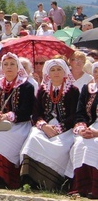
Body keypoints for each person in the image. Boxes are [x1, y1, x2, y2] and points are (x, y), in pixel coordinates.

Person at [0, 53, 36, 189]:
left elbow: (27, 111)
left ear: (18, 67)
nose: (9, 67)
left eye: (12, 64)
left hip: (19, 125)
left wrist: (8, 116)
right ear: (2, 67)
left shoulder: (27, 86)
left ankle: (2, 178)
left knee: (4, 141)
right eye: (6, 64)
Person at [20, 58, 80, 191]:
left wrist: (59, 128)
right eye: (52, 70)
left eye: (59, 69)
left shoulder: (73, 90)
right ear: (48, 73)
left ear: (65, 72)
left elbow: (74, 115)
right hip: (45, 126)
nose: (56, 72)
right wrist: (44, 126)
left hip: (66, 128)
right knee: (33, 138)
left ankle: (53, 183)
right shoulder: (43, 89)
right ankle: (30, 181)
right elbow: (36, 114)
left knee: (61, 146)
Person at [69, 62, 98, 198]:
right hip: (91, 127)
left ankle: (95, 188)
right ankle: (83, 187)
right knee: (80, 143)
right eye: (96, 71)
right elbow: (80, 113)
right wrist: (82, 129)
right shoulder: (88, 89)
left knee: (94, 144)